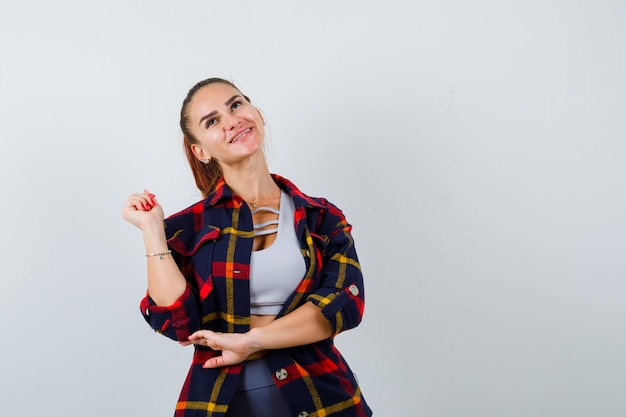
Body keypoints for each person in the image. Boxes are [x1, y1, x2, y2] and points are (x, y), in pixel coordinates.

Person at [122, 77, 372, 417]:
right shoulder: (187, 230)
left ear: (257, 114)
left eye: (236, 105)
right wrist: (152, 231)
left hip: (323, 398)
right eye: (212, 121)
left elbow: (345, 305)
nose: (232, 120)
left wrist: (249, 341)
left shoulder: (320, 217)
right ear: (201, 151)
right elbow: (178, 324)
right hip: (220, 402)